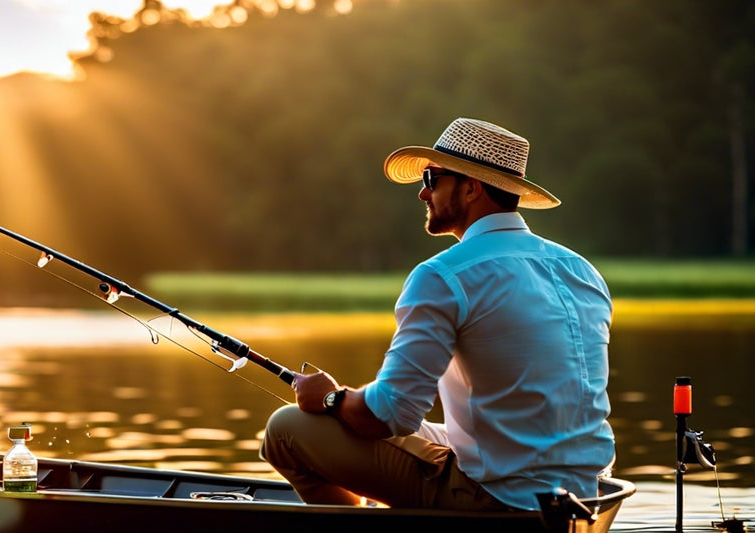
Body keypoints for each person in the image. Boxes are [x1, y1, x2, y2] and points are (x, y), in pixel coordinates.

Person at [260, 118, 616, 512]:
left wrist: (330, 399)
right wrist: (350, 404)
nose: (422, 193)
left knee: (285, 428)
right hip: (586, 495)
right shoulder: (581, 269)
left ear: (471, 187)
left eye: (431, 178)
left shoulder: (443, 275)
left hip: (498, 500)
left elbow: (390, 415)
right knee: (368, 417)